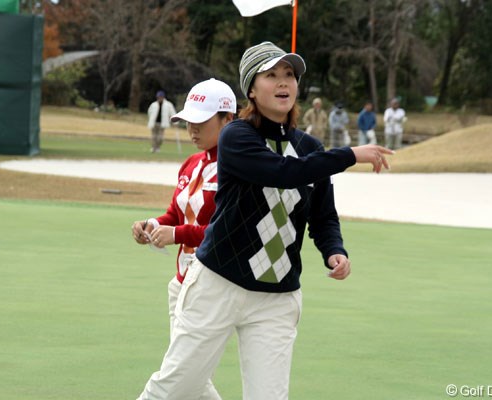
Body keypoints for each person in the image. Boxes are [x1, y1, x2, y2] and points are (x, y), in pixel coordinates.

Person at [134, 41, 393, 400]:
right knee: (176, 388)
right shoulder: (236, 136)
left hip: (277, 296)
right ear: (251, 89)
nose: (283, 82)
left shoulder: (310, 149)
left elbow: (322, 215)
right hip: (218, 284)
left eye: (289, 74)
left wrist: (334, 250)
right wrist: (350, 154)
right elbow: (283, 172)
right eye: (271, 75)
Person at [133, 78, 237, 400]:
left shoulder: (238, 168)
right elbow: (175, 214)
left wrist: (175, 234)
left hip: (211, 285)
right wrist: (151, 225)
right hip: (181, 284)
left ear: (227, 120)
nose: (192, 129)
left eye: (201, 122)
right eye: (189, 121)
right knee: (192, 377)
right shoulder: (191, 163)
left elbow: (227, 230)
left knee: (177, 375)